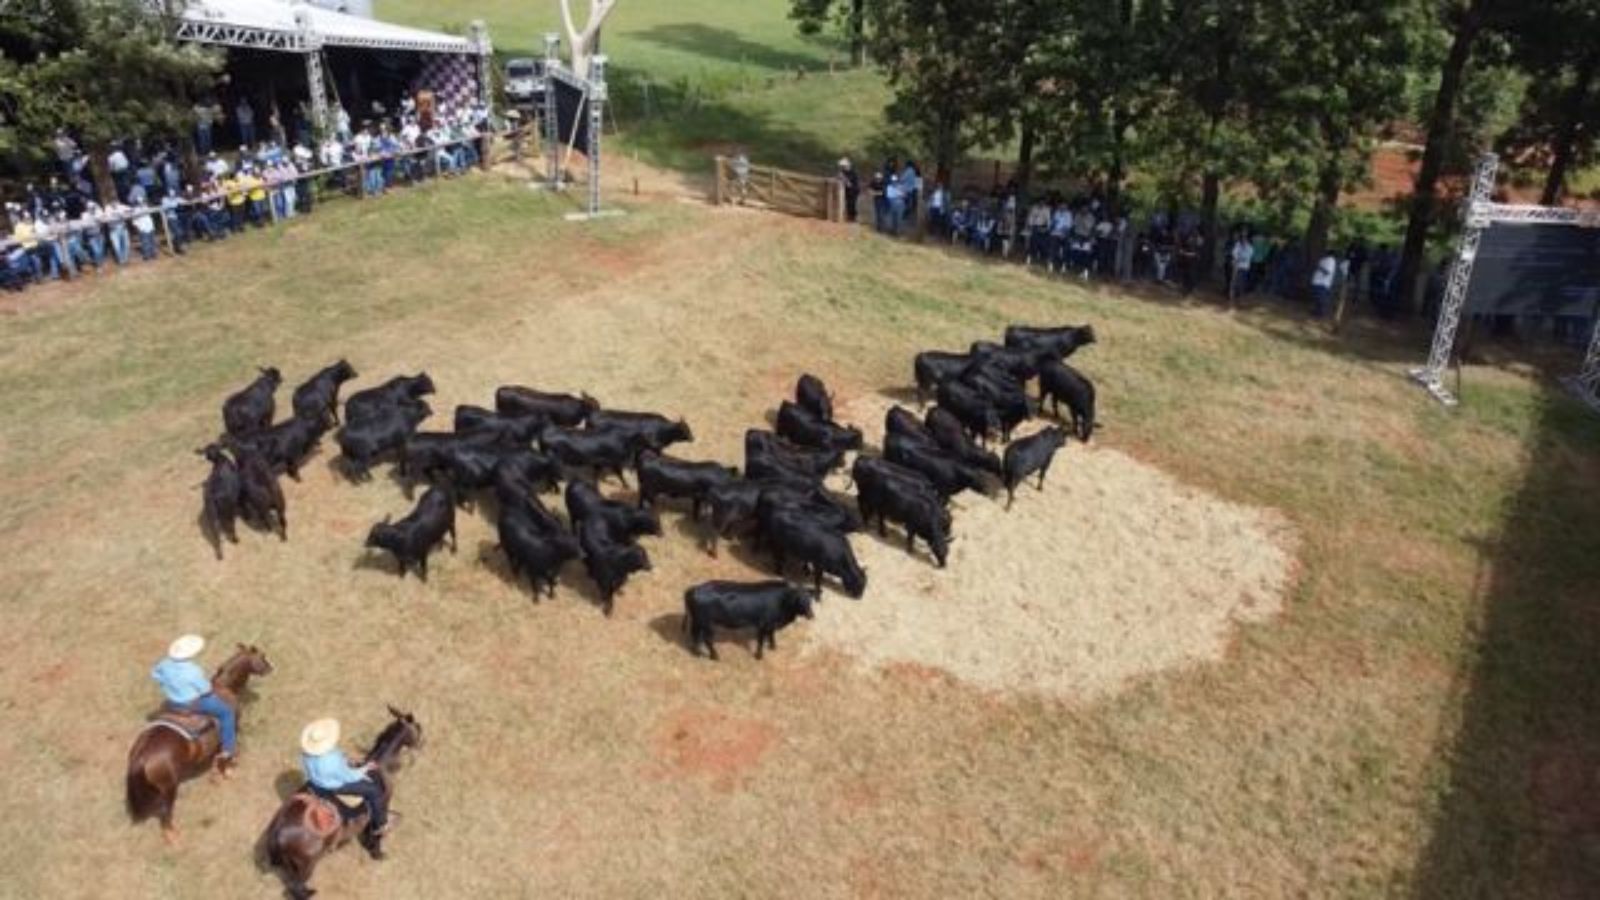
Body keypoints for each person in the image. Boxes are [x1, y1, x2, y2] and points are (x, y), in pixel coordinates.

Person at [152, 634, 237, 774]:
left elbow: (155, 675)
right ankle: (228, 751)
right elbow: (206, 689)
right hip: (194, 704)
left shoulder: (164, 663)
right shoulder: (192, 670)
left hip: (172, 703)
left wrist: (167, 685)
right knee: (227, 712)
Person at [300, 718, 390, 845]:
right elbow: (349, 777)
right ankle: (380, 825)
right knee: (374, 790)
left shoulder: (306, 753)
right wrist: (364, 769)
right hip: (335, 786)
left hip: (315, 784)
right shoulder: (331, 759)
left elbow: (306, 769)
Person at [1311, 250, 1338, 319]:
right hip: (1318, 281)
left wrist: (1319, 267)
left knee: (1321, 298)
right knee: (1318, 298)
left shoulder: (1330, 260)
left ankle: (1321, 313)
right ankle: (1317, 312)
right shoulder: (1326, 260)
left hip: (1322, 282)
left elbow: (1327, 272)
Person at [1228, 232, 1253, 303]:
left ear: (1247, 240)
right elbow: (1234, 254)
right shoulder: (1237, 245)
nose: (1243, 240)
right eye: (1242, 238)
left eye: (1245, 238)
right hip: (1236, 266)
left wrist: (1238, 259)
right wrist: (1236, 259)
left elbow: (1247, 257)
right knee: (1233, 282)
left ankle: (1241, 297)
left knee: (1242, 282)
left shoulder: (1250, 248)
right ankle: (1231, 296)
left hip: (1244, 267)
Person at [837, 158, 859, 223]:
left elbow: (849, 184)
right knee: (846, 204)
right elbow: (839, 180)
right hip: (846, 191)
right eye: (842, 166)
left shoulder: (853, 173)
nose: (842, 168)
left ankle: (853, 218)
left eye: (843, 166)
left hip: (853, 191)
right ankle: (847, 217)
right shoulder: (843, 172)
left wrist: (843, 178)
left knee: (852, 204)